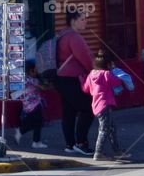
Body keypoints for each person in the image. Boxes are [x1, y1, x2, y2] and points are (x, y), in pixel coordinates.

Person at [54, 10, 95, 156]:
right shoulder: (74, 37)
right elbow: (85, 58)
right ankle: (81, 143)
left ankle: (70, 144)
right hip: (72, 79)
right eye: (82, 19)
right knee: (88, 109)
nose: (85, 21)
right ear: (73, 21)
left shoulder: (62, 34)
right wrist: (94, 72)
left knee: (69, 112)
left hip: (60, 79)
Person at [81, 51, 129, 162]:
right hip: (105, 105)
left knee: (111, 128)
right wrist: (115, 71)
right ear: (107, 65)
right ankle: (98, 153)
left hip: (96, 106)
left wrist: (81, 79)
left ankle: (117, 151)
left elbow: (85, 89)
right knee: (104, 130)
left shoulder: (91, 74)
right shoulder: (106, 74)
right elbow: (117, 82)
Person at [11, 60, 47, 149]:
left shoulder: (24, 79)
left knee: (34, 122)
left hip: (26, 105)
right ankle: (34, 141)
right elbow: (43, 87)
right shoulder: (33, 80)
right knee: (38, 123)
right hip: (35, 104)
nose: (37, 71)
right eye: (36, 70)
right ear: (31, 71)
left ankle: (22, 132)